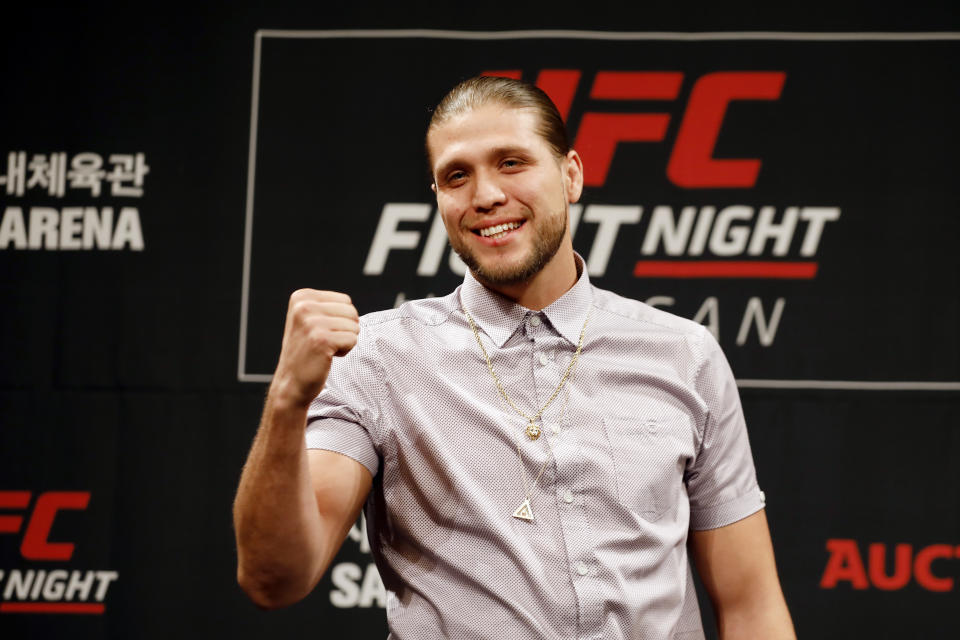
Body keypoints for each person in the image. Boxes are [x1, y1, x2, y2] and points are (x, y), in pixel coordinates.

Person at [233, 76, 796, 639]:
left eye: (511, 162)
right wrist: (287, 400)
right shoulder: (376, 358)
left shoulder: (685, 355)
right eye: (457, 175)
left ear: (570, 175)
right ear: (438, 199)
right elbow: (276, 579)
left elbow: (751, 607)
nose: (485, 196)